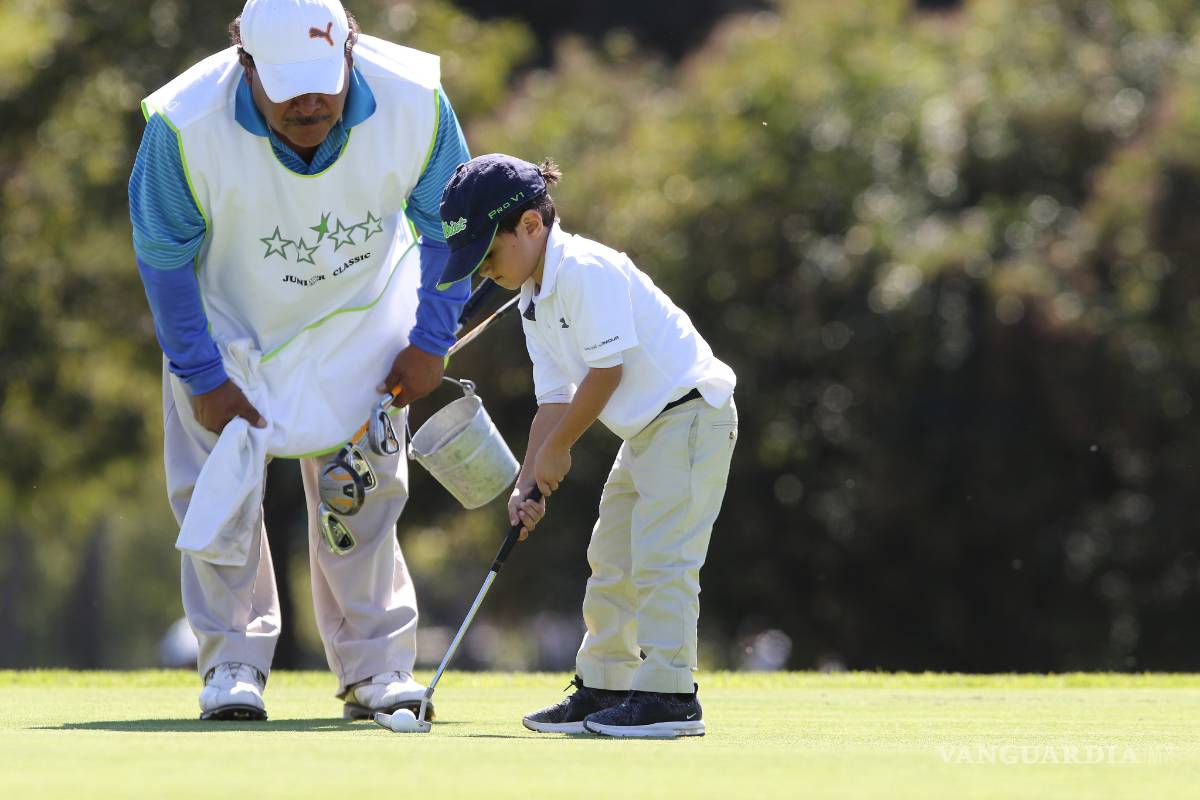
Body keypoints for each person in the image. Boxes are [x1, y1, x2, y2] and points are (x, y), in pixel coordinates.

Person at [127, 0, 471, 721]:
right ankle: (231, 663)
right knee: (219, 495)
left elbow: (451, 228)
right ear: (246, 65)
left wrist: (430, 340)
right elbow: (164, 259)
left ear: (349, 51)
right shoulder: (183, 125)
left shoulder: (415, 99)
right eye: (288, 88)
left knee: (364, 493)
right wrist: (201, 376)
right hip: (231, 330)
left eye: (322, 82)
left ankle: (376, 668)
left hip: (361, 318)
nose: (309, 104)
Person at [436, 155, 739, 738]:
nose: (484, 272)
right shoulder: (532, 296)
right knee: (612, 559)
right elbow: (553, 400)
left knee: (661, 559)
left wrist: (559, 451)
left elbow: (606, 374)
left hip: (691, 416)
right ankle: (606, 684)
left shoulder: (585, 270)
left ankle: (671, 696)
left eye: (488, 255)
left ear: (530, 225)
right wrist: (528, 478)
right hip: (647, 429)